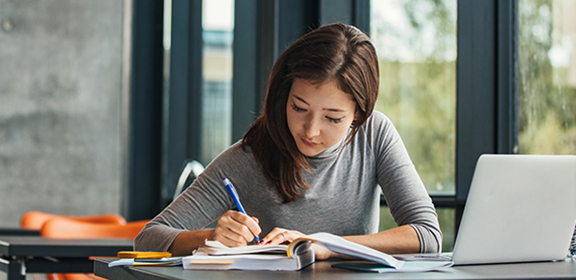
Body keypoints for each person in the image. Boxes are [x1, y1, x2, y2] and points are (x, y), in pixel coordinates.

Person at [135, 23, 442, 259]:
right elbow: (148, 238)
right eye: (298, 108)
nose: (310, 131)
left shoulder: (374, 135)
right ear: (284, 96)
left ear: (358, 115)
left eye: (332, 118)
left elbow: (427, 235)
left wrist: (323, 244)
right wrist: (211, 237)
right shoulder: (250, 156)